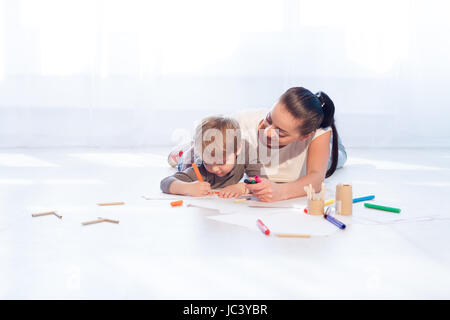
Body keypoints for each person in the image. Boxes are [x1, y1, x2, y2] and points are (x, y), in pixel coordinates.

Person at [167, 87, 347, 202]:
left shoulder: (318, 134)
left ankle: (338, 150)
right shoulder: (242, 123)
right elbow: (210, 140)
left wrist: (281, 192)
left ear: (305, 136)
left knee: (338, 158)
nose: (267, 131)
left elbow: (316, 180)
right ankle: (186, 145)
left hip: (326, 154)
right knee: (195, 152)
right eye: (269, 119)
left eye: (280, 132)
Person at [161, 116, 266, 198]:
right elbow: (165, 183)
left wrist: (244, 187)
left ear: (237, 149)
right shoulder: (201, 168)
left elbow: (263, 180)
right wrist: (188, 188)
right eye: (207, 162)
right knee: (183, 157)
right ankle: (184, 149)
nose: (214, 168)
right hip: (188, 157)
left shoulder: (245, 150)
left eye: (221, 162)